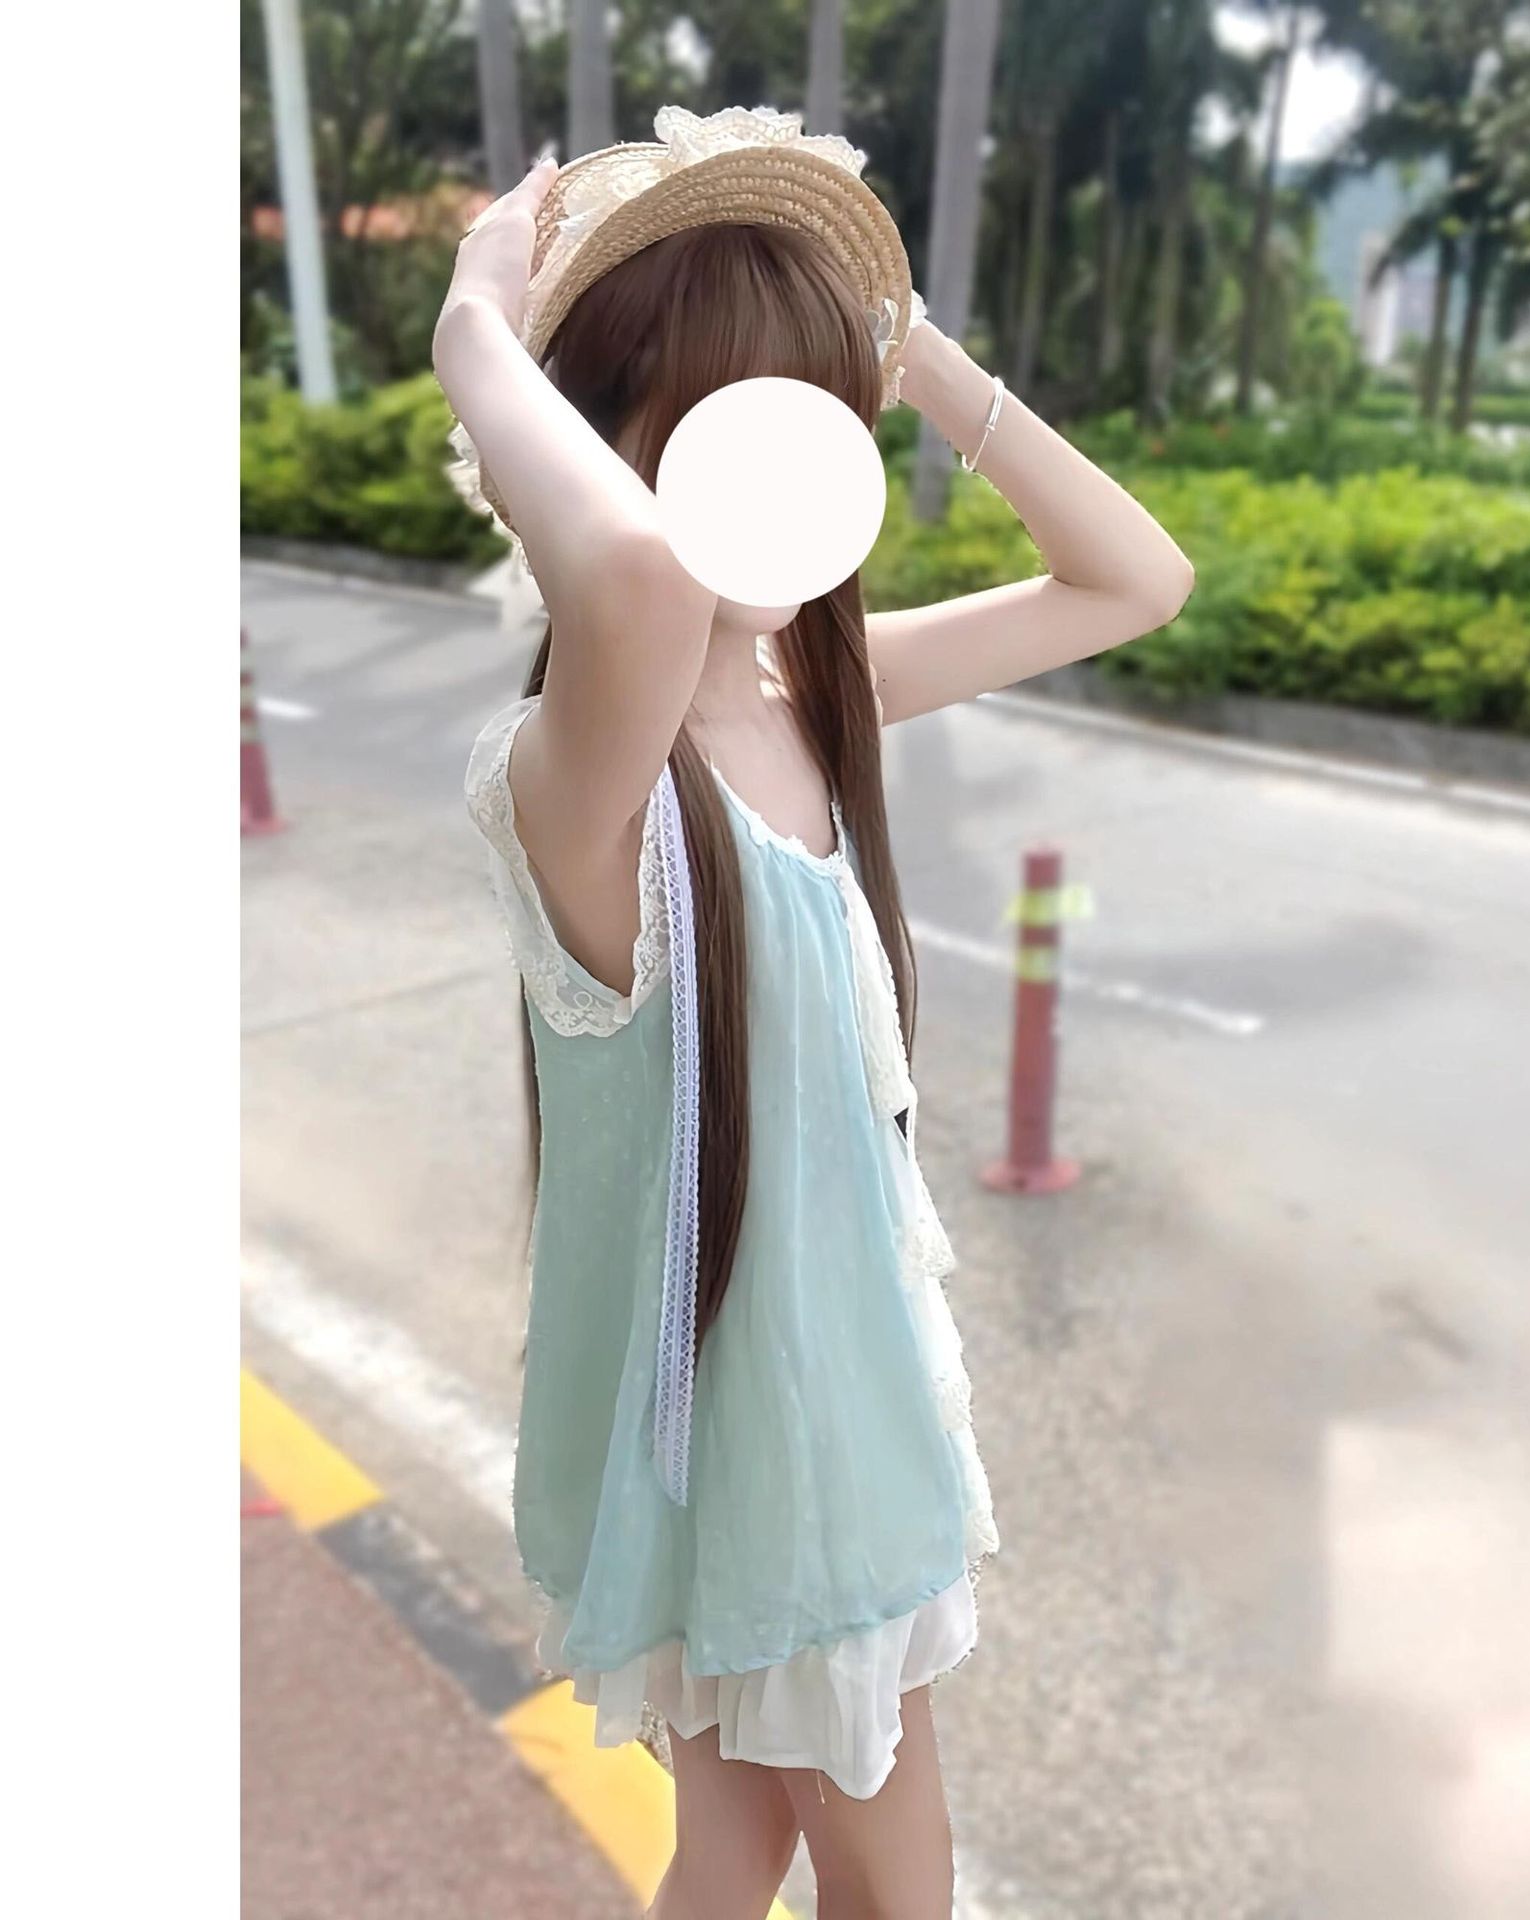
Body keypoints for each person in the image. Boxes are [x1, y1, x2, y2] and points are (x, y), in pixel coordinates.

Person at [437, 105, 1193, 1920]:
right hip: (773, 1458)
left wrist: (912, 357)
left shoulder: (812, 696)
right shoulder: (578, 784)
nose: (770, 478)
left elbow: (1135, 580)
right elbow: (632, 585)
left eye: (801, 426)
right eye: (713, 432)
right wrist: (473, 326)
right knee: (892, 1891)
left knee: (737, 1850)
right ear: (592, 461)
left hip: (812, 1411)